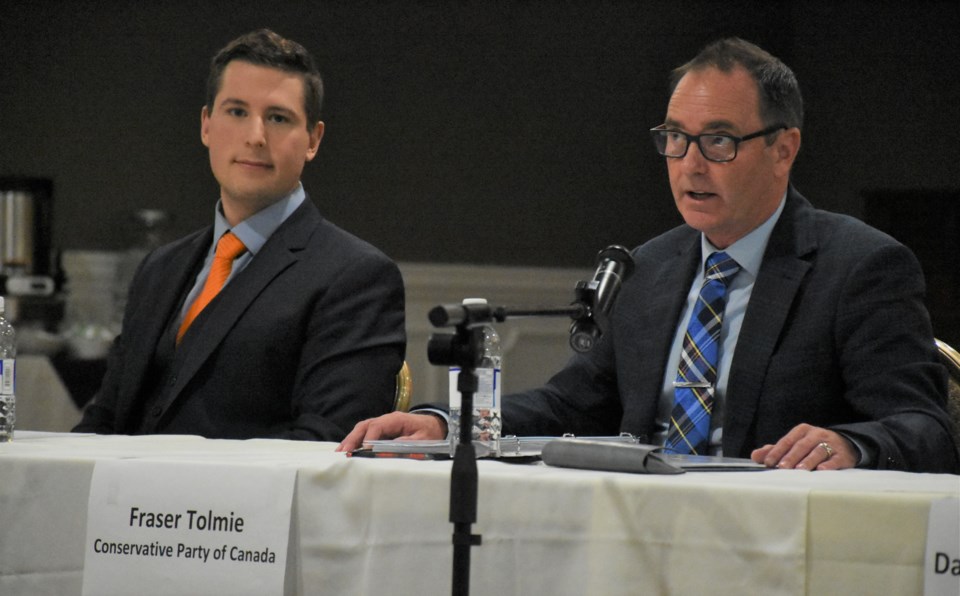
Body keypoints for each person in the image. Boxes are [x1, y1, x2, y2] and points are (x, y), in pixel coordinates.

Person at [338, 37, 959, 473]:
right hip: (637, 528)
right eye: (675, 139)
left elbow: (927, 429)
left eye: (718, 140)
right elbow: (569, 405)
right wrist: (451, 423)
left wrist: (853, 444)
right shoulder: (649, 268)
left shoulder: (861, 267)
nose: (689, 164)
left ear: (783, 148)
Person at [73, 29, 406, 440]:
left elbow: (325, 448)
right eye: (236, 112)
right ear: (206, 125)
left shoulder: (357, 278)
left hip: (245, 505)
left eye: (278, 118)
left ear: (313, 140)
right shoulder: (159, 268)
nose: (255, 136)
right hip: (126, 502)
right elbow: (105, 419)